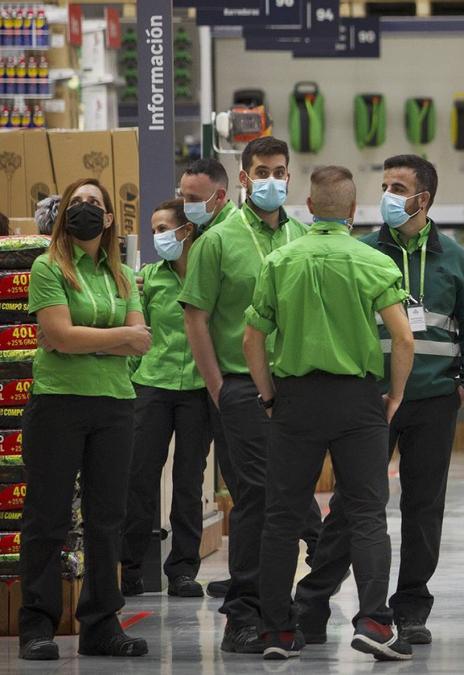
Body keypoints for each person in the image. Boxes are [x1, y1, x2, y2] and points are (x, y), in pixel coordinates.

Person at [294, 155, 464, 646]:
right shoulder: (362, 251)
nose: (387, 195)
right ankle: (314, 596)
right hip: (371, 402)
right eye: (383, 185)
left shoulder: (455, 259)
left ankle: (411, 607)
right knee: (352, 506)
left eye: (397, 187)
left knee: (424, 508)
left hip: (434, 399)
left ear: (423, 199)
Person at [245, 165, 416, 661]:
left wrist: (270, 396)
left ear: (310, 207)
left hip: (295, 400)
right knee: (366, 514)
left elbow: (252, 339)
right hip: (358, 401)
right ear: (354, 211)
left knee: (281, 516)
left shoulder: (279, 261)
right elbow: (403, 339)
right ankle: (374, 622)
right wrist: (395, 397)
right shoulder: (372, 262)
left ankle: (277, 630)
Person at [179, 136, 309, 654]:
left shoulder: (302, 235)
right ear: (245, 177)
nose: (271, 179)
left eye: (280, 170)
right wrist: (218, 387)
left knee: (290, 500)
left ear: (290, 177)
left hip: (295, 389)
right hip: (240, 387)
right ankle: (243, 614)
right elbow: (196, 316)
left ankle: (278, 607)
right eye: (262, 171)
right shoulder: (218, 240)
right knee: (256, 498)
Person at [18, 178, 150, 660]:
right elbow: (58, 336)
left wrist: (85, 336)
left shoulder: (121, 275)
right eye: (77, 203)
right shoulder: (46, 266)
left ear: (110, 218)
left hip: (115, 403)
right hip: (58, 402)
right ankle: (36, 624)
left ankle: (100, 624)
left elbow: (140, 338)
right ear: (63, 214)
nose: (86, 210)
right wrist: (114, 338)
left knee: (107, 520)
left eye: (95, 204)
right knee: (46, 517)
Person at [120, 199, 210, 599]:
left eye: (162, 228)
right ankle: (131, 567)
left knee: (189, 480)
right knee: (139, 476)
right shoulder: (149, 279)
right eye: (153, 229)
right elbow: (141, 332)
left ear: (186, 231)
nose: (157, 237)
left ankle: (183, 571)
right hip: (153, 385)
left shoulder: (207, 278)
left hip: (196, 388)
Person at [176, 158, 238, 600]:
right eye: (182, 197)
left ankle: (314, 554)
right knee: (192, 478)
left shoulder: (221, 239)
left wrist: (219, 389)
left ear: (219, 196)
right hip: (195, 386)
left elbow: (198, 322)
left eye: (193, 199)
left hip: (231, 384)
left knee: (250, 484)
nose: (185, 206)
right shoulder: (195, 238)